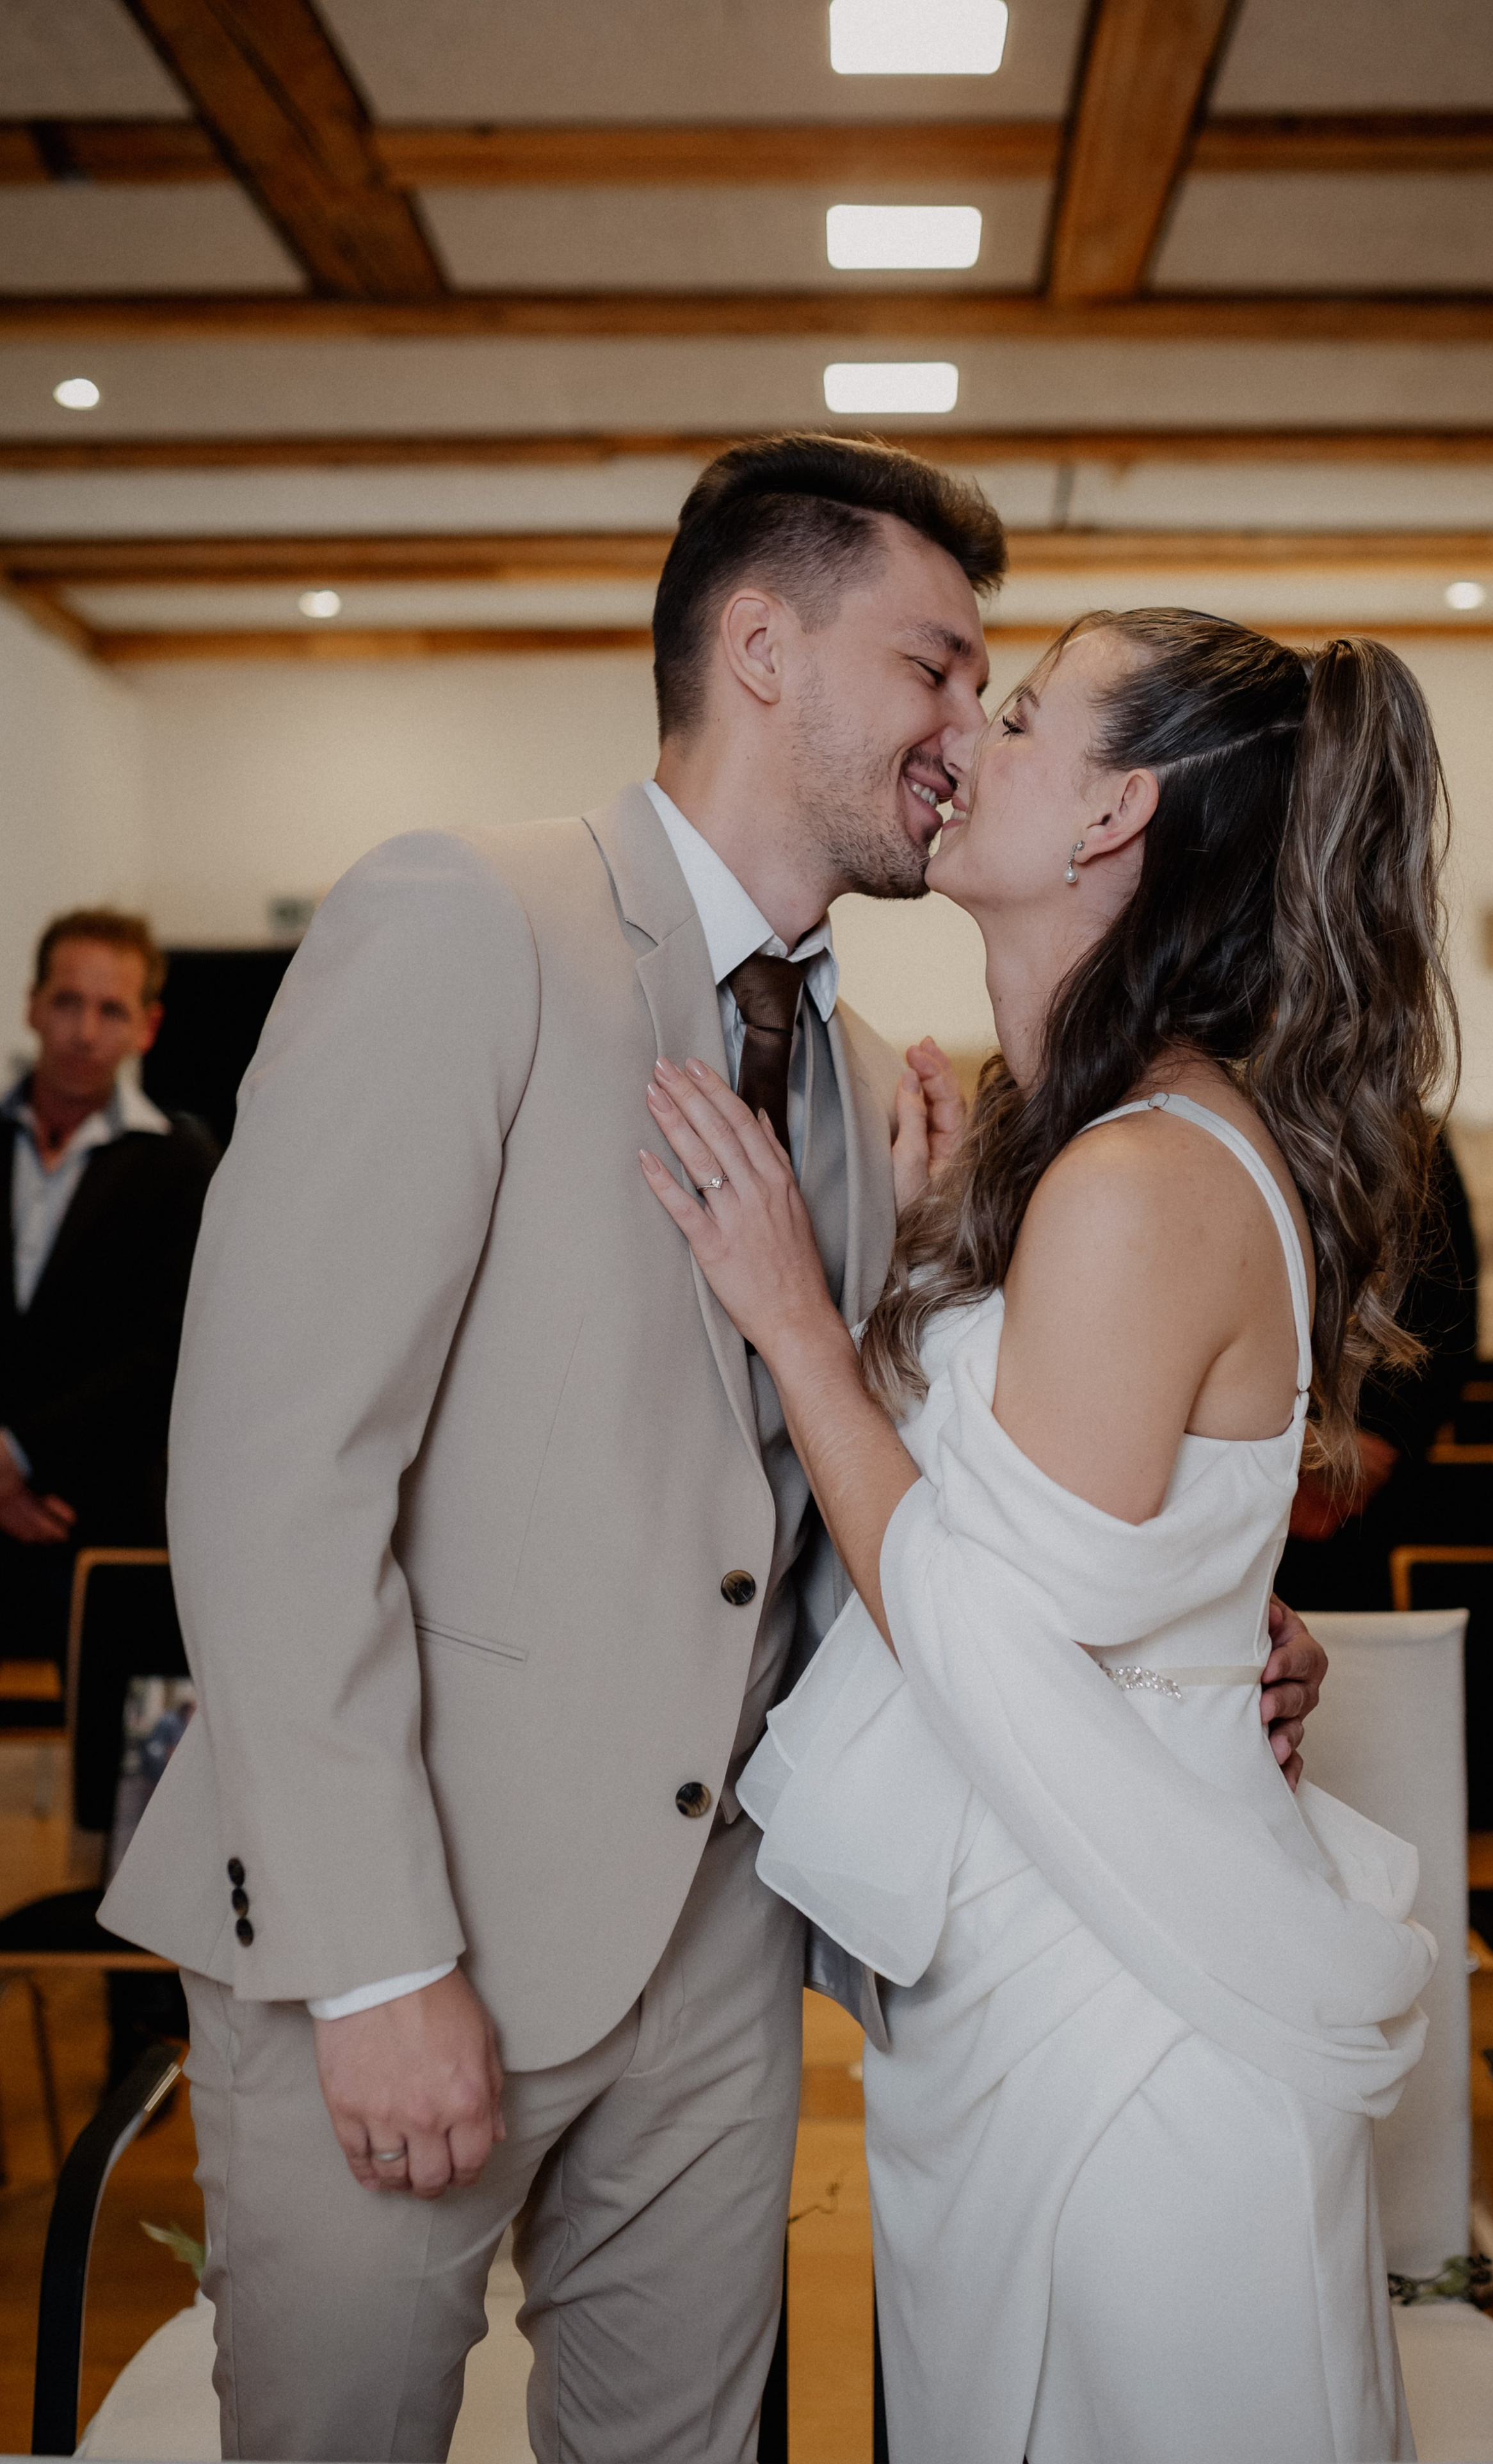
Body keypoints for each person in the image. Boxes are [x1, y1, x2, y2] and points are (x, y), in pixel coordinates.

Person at [102, 444, 1328, 2464]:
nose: (962, 728)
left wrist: (1164, 1639)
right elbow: (270, 1471)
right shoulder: (462, 916)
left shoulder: (862, 1079)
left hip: (719, 1958)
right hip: (418, 1936)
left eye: (990, 689)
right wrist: (378, 1954)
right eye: (936, 668)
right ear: (760, 646)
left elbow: (809, 1523)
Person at [641, 609, 1451, 2463]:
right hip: (1029, 1971)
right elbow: (1086, 1524)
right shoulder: (1073, 1147)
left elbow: (992, 1634)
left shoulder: (1141, 1176)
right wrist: (926, 1254)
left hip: (1126, 2018)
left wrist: (797, 1323)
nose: (964, 741)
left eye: (1015, 715)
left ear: (1112, 818)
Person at [1, 911, 216, 1662]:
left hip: (96, 1524)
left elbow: (164, 1354)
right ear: (32, 1004)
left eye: (111, 1009)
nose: (84, 1031)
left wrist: (17, 1458)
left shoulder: (182, 1167)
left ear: (146, 1027)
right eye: (66, 1002)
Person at [1278, 1128, 1479, 1605]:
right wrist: (1298, 1440)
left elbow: (1451, 1317)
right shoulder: (1247, 1125)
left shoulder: (1420, 1142)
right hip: (1266, 1464)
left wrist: (1364, 1440)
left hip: (1382, 1475)